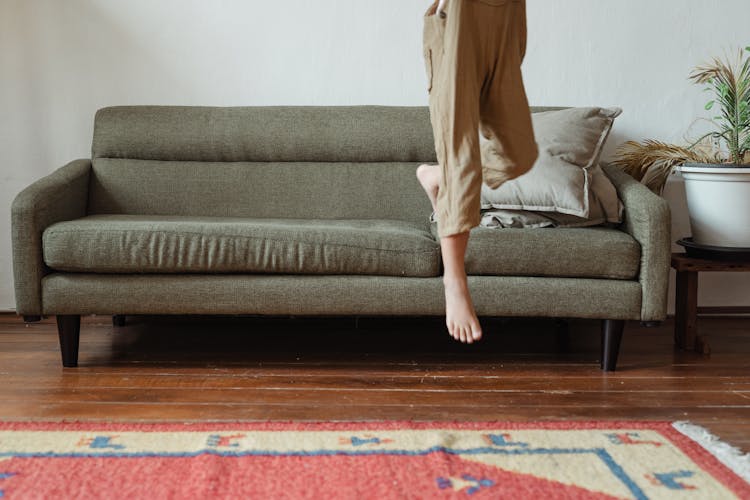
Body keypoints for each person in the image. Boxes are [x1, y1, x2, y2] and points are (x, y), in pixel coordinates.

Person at [417, 0, 539, 344]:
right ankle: (454, 283)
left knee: (520, 153)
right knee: (461, 158)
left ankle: (442, 176)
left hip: (505, 14)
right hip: (460, 16)